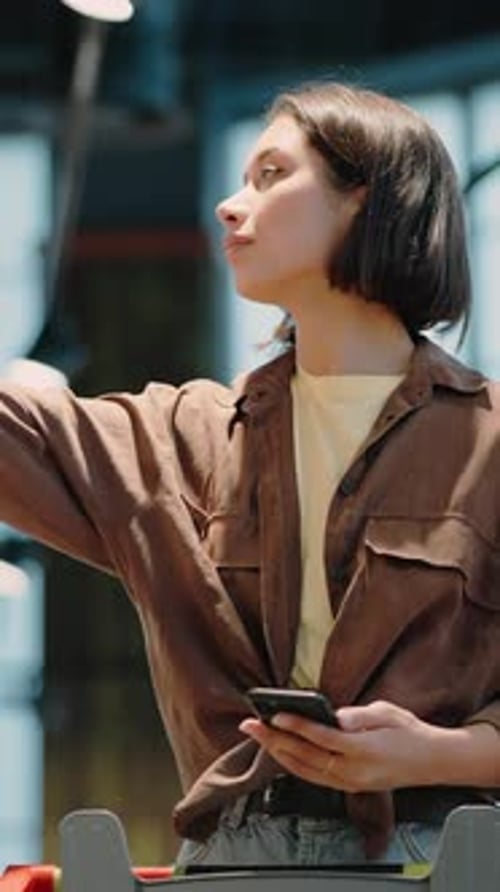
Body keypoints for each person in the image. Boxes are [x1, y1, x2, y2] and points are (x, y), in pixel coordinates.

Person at [1, 80, 499, 869]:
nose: (232, 207)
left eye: (271, 176)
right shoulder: (183, 438)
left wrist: (434, 754)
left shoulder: (489, 443)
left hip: (435, 856)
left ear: (364, 200)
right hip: (232, 859)